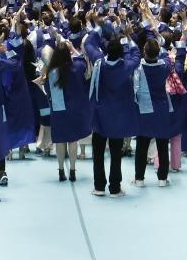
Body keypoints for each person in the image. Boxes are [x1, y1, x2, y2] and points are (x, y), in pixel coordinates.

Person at [88, 35, 137, 197]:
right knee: (116, 155)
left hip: (100, 117)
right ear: (121, 53)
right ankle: (115, 188)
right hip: (118, 118)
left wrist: (99, 28)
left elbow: (89, 44)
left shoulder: (99, 63)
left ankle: (99, 187)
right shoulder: (126, 66)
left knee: (98, 154)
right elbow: (136, 55)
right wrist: (127, 40)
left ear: (107, 51)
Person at [45, 36, 90, 182]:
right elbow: (83, 61)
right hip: (74, 109)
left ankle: (60, 170)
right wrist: (73, 49)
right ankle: (72, 170)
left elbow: (47, 91)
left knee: (59, 140)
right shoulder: (76, 68)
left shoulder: (51, 72)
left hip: (58, 110)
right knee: (73, 140)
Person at [133, 40, 177, 187]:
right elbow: (167, 56)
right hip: (161, 109)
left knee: (142, 146)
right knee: (162, 144)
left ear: (144, 52)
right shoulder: (164, 66)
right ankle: (162, 179)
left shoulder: (138, 66)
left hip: (144, 110)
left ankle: (139, 179)